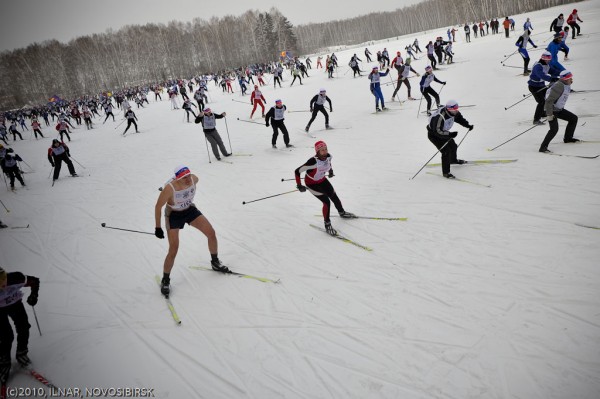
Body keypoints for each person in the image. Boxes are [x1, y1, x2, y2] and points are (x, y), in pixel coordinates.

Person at [154, 166, 228, 297]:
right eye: (183, 178)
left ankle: (215, 262)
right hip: (173, 215)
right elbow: (158, 207)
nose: (188, 179)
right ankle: (165, 279)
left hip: (189, 210)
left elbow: (192, 179)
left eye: (188, 175)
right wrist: (158, 227)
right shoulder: (170, 188)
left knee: (211, 233)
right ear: (177, 179)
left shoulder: (195, 179)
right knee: (174, 248)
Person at [295, 141, 355, 236]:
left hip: (322, 180)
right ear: (317, 151)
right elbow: (297, 171)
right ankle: (327, 224)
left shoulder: (328, 157)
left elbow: (328, 164)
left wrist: (330, 171)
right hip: (311, 184)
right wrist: (299, 185)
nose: (324, 152)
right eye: (322, 150)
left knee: (334, 196)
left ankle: (341, 212)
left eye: (325, 149)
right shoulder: (313, 162)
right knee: (326, 202)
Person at [0, 266, 40, 384]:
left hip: (15, 304)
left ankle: (22, 353)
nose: (3, 284)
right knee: (6, 337)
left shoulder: (16, 278)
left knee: (24, 327)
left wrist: (34, 295)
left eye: (3, 278)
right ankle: (3, 362)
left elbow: (35, 281)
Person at [427, 100, 474, 178]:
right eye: (455, 109)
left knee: (453, 146)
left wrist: (468, 125)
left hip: (443, 133)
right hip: (434, 135)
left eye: (457, 108)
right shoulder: (440, 117)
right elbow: (437, 131)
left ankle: (453, 160)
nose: (457, 110)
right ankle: (446, 173)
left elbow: (460, 119)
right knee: (446, 151)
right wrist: (450, 134)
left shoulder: (454, 113)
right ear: (449, 109)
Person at [539, 70, 579, 153]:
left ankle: (568, 138)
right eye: (569, 78)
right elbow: (549, 101)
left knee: (573, 119)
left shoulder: (566, 84)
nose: (571, 79)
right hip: (552, 110)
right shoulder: (559, 86)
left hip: (558, 109)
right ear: (565, 79)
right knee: (554, 129)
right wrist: (549, 115)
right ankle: (543, 147)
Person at [527, 51, 556, 125]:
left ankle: (543, 113)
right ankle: (536, 120)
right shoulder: (538, 66)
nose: (549, 60)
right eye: (548, 59)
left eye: (549, 59)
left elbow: (553, 71)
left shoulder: (546, 65)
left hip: (541, 85)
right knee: (541, 102)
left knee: (547, 97)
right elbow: (542, 76)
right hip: (534, 87)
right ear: (543, 59)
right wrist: (551, 79)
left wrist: (563, 74)